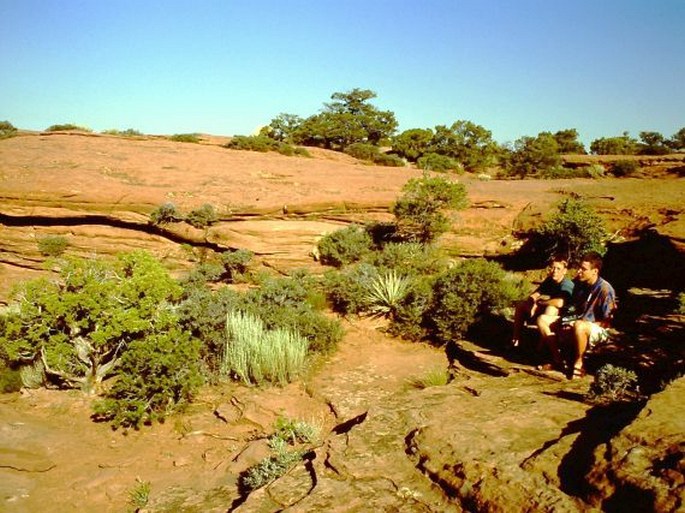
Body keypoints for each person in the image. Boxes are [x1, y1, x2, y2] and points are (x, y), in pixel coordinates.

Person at [539, 251, 617, 379]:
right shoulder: (580, 284)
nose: (579, 271)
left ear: (595, 271)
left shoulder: (605, 289)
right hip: (577, 322)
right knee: (543, 320)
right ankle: (558, 360)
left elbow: (607, 321)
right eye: (579, 267)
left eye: (583, 269)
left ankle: (579, 363)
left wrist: (579, 323)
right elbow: (574, 309)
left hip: (597, 329)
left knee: (580, 325)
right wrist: (567, 321)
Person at [510, 255, 574, 349]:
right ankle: (516, 339)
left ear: (564, 271)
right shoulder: (550, 280)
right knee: (521, 305)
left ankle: (543, 345)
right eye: (553, 268)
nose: (554, 271)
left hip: (563, 316)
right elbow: (536, 294)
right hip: (548, 310)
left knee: (551, 308)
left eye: (558, 269)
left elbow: (560, 303)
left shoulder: (567, 284)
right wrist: (531, 302)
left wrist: (540, 303)